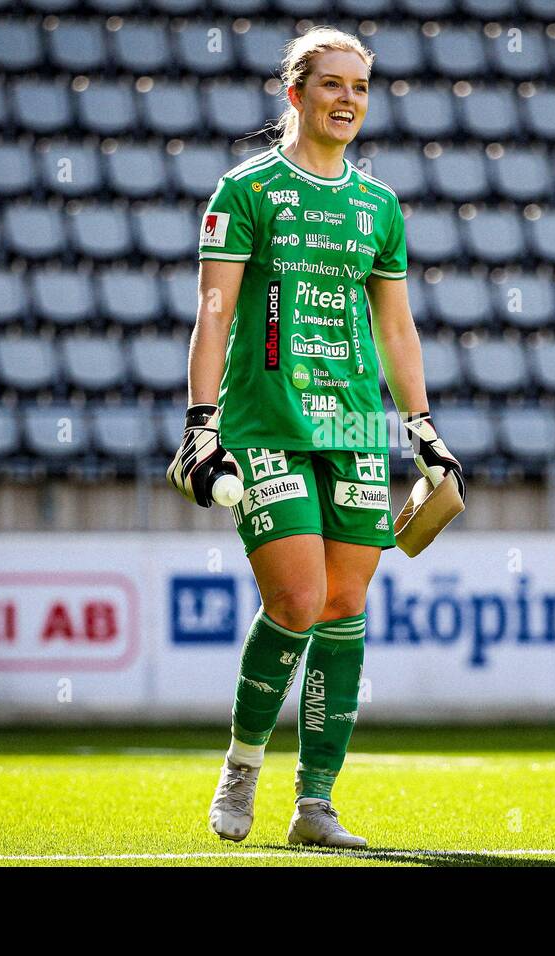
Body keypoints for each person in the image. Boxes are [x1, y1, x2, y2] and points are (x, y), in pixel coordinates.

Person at [167, 26, 465, 849]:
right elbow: (215, 315)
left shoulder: (379, 207)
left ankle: (316, 803)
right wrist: (201, 426)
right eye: (331, 85)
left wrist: (422, 430)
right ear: (293, 93)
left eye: (360, 88)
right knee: (296, 599)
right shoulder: (246, 190)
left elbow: (397, 331)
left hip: (357, 425)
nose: (348, 100)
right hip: (266, 423)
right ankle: (242, 764)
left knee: (345, 605)